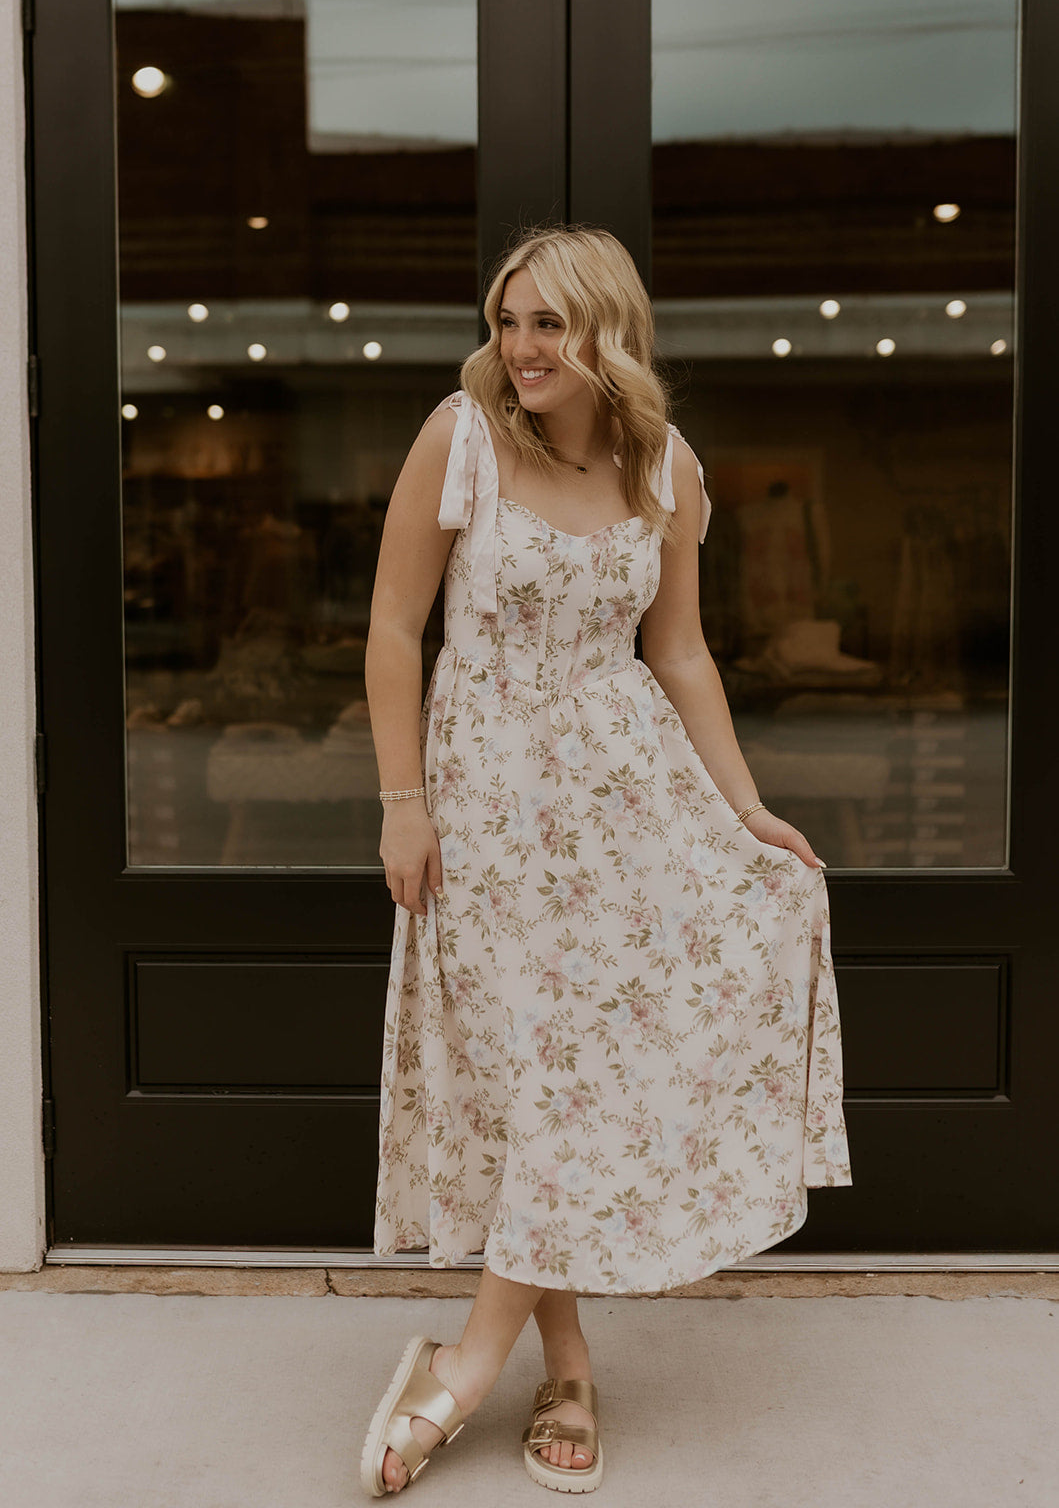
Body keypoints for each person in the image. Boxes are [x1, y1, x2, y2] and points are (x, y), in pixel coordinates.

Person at [360, 223, 852, 1496]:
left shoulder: (663, 462)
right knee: (538, 1077)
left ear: (607, 333)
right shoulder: (459, 436)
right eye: (508, 319)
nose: (521, 347)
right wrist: (402, 802)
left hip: (627, 798)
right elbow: (393, 626)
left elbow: (677, 650)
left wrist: (743, 809)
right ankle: (556, 1361)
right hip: (485, 805)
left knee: (583, 1069)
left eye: (549, 323)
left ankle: (480, 1362)